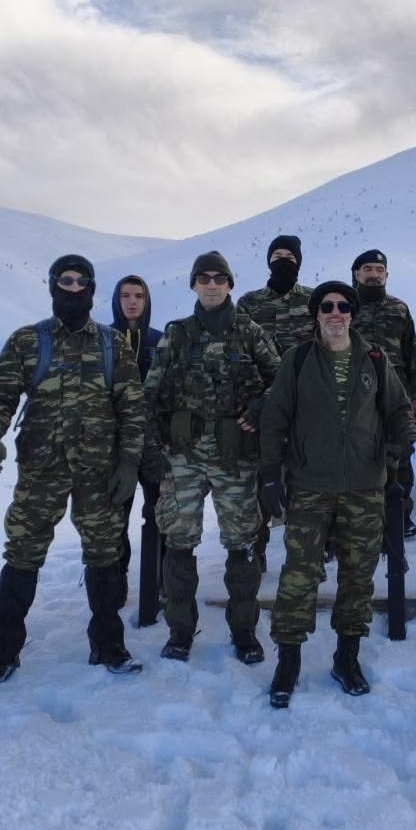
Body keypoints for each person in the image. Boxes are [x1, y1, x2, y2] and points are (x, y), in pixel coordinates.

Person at [0, 254, 146, 685]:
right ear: (52, 286)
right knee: (22, 556)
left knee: (105, 558)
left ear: (90, 289)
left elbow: (132, 407)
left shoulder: (112, 344)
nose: (73, 288)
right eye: (64, 281)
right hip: (41, 472)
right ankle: (3, 653)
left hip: (98, 472)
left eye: (80, 281)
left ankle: (108, 645)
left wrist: (128, 460)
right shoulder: (27, 342)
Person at [259, 281, 416, 708]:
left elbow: (398, 410)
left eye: (343, 306)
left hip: (365, 486)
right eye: (327, 306)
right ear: (316, 314)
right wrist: (270, 474)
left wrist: (409, 441)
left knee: (358, 575)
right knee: (299, 575)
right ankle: (287, 661)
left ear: (352, 313)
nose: (335, 312)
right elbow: (274, 419)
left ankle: (347, 658)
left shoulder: (373, 359)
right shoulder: (297, 362)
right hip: (311, 485)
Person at [144, 251, 279, 665]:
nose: (211, 284)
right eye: (203, 277)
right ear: (194, 285)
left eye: (219, 278)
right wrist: (150, 447)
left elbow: (281, 382)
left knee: (241, 544)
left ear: (229, 284)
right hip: (183, 454)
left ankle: (244, 632)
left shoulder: (250, 332)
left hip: (234, 454)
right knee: (180, 543)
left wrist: (259, 407)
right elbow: (150, 392)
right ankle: (180, 632)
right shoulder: (177, 334)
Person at [236, 234, 314, 570]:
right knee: (259, 480)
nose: (283, 261)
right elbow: (238, 353)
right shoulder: (250, 303)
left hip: (306, 403)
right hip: (262, 406)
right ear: (268, 260)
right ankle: (257, 548)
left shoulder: (315, 300)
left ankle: (310, 550)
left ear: (299, 261)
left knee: (305, 478)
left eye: (290, 256)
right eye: (277, 255)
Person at [350, 248, 416, 537]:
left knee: (400, 461)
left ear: (386, 275)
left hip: (396, 397)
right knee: (358, 457)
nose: (374, 275)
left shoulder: (399, 309)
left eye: (379, 270)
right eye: (368, 270)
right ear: (357, 274)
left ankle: (399, 518)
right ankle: (361, 520)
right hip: (355, 398)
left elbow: (413, 352)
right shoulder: (343, 309)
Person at [111, 275, 162, 607]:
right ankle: (115, 585)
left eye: (139, 296)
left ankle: (160, 582)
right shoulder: (103, 340)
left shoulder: (162, 340)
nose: (132, 302)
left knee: (160, 516)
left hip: (157, 445)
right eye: (126, 296)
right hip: (116, 448)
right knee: (116, 518)